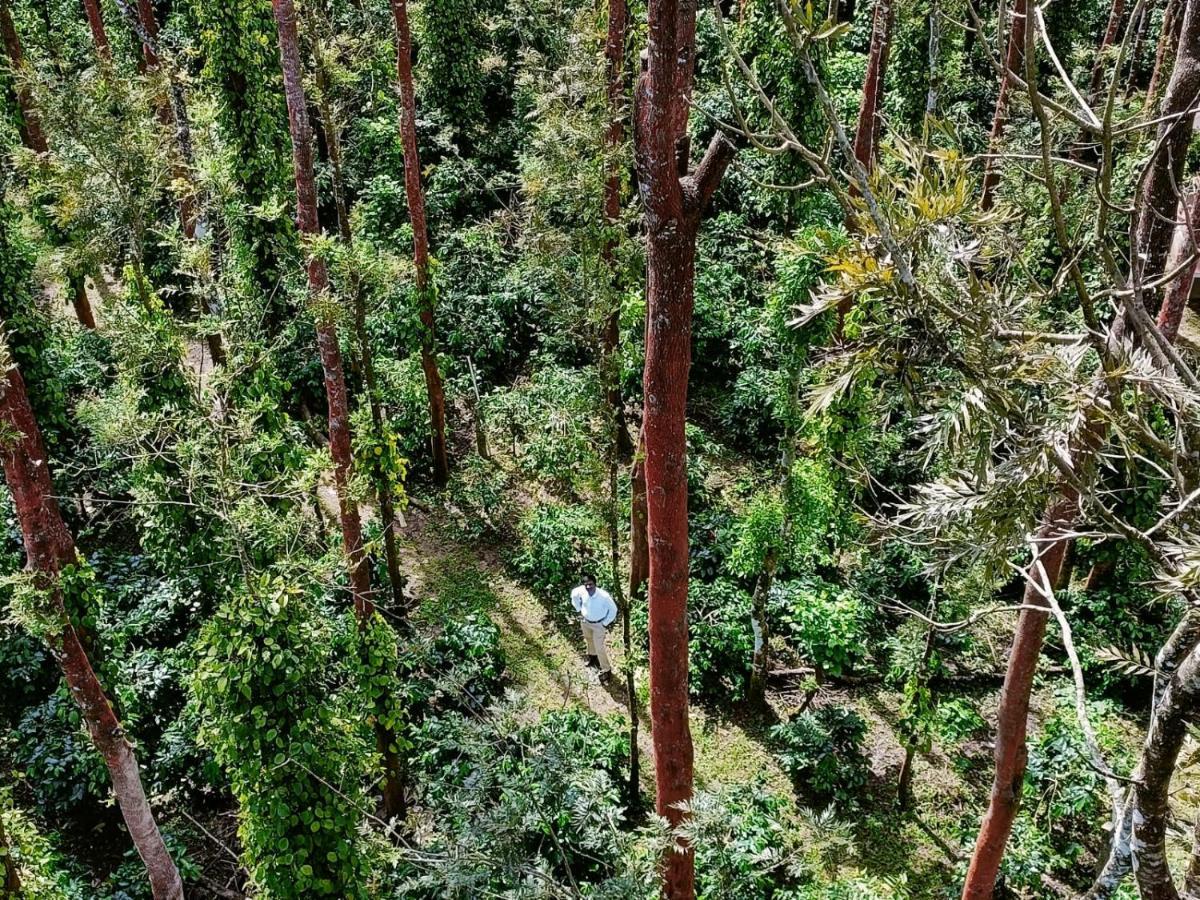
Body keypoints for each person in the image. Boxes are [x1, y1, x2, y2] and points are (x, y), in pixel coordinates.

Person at [570, 574, 617, 683]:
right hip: (585, 622)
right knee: (588, 640)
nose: (588, 587)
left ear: (595, 584)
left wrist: (605, 622)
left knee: (599, 647)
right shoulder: (581, 591)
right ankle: (592, 657)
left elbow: (613, 609)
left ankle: (606, 670)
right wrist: (578, 608)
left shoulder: (604, 596)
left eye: (590, 584)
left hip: (598, 625)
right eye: (586, 585)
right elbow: (573, 594)